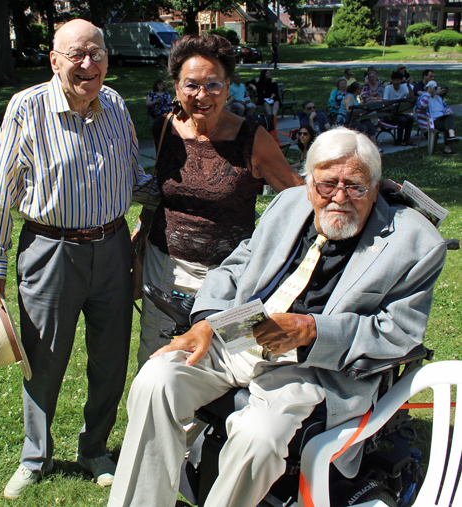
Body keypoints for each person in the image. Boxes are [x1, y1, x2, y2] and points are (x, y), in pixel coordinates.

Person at [108, 127, 446, 507]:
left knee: (258, 436)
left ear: (375, 185)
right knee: (156, 380)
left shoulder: (414, 242)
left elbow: (398, 331)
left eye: (355, 186)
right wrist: (206, 320)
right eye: (327, 185)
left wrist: (311, 330)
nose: (339, 198)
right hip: (241, 333)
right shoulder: (288, 204)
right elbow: (236, 265)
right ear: (308, 183)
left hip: (313, 368)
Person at [0, 19, 159, 499]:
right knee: (43, 359)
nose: (88, 64)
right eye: (76, 54)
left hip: (114, 247)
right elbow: (3, 188)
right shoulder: (27, 108)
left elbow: (132, 173)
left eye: (96, 53)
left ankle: (94, 448)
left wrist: (177, 193)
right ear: (54, 60)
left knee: (111, 356)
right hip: (50, 251)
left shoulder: (115, 103)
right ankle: (35, 456)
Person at [135, 34, 304, 368]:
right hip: (164, 268)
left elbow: (297, 196)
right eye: (191, 85)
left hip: (231, 278)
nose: (202, 96)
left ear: (228, 86)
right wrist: (139, 234)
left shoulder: (252, 139)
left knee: (233, 361)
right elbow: (162, 191)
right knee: (156, 359)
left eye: (213, 85)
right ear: (176, 87)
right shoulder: (164, 127)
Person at [416, 80, 458, 155]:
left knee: (450, 117)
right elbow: (421, 106)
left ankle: (451, 136)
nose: (433, 90)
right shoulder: (423, 97)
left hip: (442, 118)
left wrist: (448, 111)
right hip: (432, 120)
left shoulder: (438, 98)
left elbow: (446, 107)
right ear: (427, 89)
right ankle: (448, 146)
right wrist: (428, 93)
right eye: (430, 88)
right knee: (448, 125)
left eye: (434, 88)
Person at [337, 82, 379, 148]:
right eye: (360, 88)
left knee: (370, 125)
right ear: (357, 89)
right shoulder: (349, 98)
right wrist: (360, 112)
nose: (361, 90)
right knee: (363, 128)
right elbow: (348, 111)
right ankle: (364, 147)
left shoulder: (355, 98)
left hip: (355, 119)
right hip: (346, 121)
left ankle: (374, 146)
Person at [382, 71, 415, 146]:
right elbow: (385, 103)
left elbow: (411, 98)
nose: (396, 82)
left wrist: (409, 85)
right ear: (392, 80)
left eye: (398, 80)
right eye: (395, 80)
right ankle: (399, 139)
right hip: (390, 114)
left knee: (410, 118)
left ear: (401, 80)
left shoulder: (404, 87)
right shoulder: (388, 88)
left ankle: (407, 138)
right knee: (402, 120)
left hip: (400, 112)